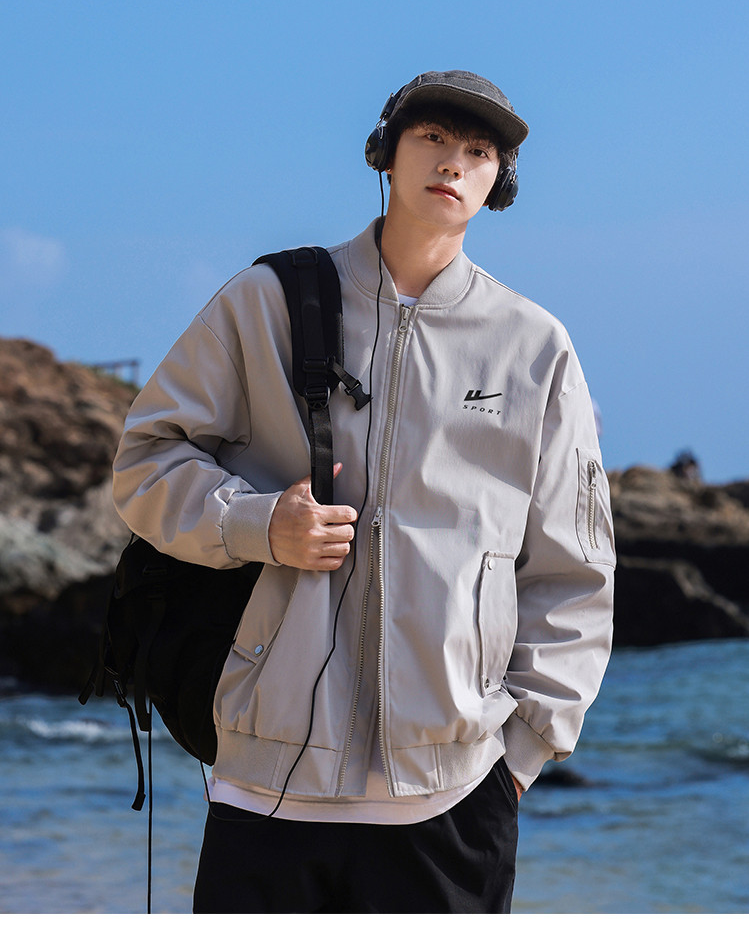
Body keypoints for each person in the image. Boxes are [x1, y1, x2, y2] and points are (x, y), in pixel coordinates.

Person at [112, 70, 615, 914]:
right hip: (265, 787)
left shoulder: (534, 347)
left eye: (478, 151)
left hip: (453, 798)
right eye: (433, 139)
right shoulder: (266, 302)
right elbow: (147, 460)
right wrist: (257, 524)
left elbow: (576, 570)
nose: (452, 163)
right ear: (386, 151)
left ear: (498, 181)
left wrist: (522, 755)